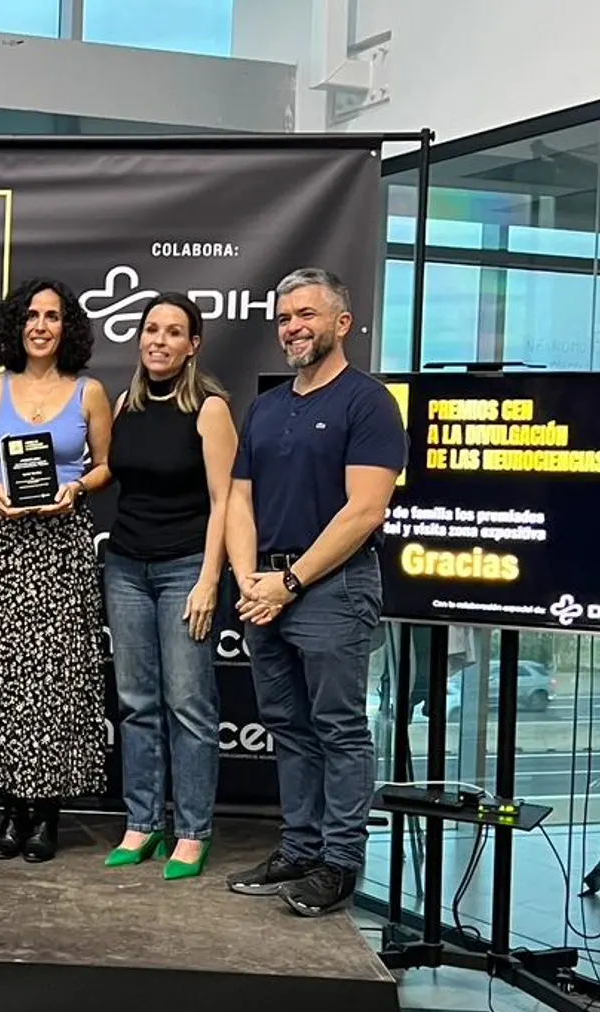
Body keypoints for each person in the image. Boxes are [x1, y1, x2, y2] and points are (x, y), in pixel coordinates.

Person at [223, 267, 405, 917]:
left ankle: (339, 862)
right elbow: (239, 499)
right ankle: (298, 848)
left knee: (338, 729)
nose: (293, 327)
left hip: (330, 587)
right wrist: (250, 578)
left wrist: (291, 581)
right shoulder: (267, 407)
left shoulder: (367, 402)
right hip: (265, 587)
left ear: (341, 323)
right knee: (289, 729)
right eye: (284, 318)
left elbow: (365, 511)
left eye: (306, 315)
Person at [0, 277, 113, 863]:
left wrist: (74, 488)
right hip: (3, 542)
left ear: (66, 327)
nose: (41, 326)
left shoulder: (89, 391)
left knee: (55, 681)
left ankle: (46, 813)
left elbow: (104, 466)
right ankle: (9, 811)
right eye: (31, 316)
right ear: (17, 327)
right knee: (2, 680)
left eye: (52, 316)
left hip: (63, 544)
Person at [102, 291, 236, 881]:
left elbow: (224, 502)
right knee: (136, 705)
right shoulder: (123, 403)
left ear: (193, 345)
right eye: (151, 329)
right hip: (126, 568)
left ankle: (192, 831)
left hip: (187, 568)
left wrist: (210, 580)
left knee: (189, 706)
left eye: (173, 332)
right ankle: (141, 822)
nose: (158, 340)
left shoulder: (209, 409)